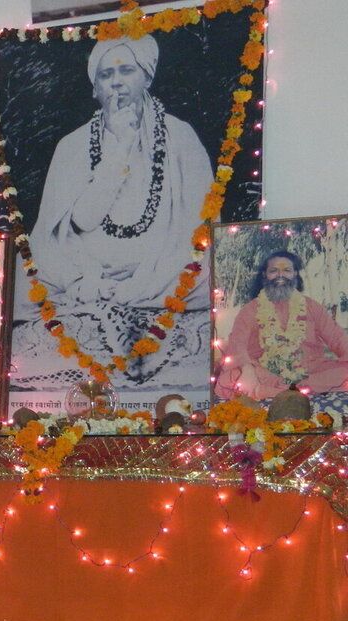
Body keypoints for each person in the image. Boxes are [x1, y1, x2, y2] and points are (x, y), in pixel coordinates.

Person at [28, 34, 212, 380]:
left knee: (209, 270)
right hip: (88, 271)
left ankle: (135, 291)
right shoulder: (72, 145)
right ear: (95, 88)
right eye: (105, 74)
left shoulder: (181, 137)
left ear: (147, 77)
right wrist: (119, 150)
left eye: (126, 70)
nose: (116, 82)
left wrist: (151, 269)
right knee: (26, 270)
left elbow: (200, 227)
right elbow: (80, 221)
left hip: (163, 268)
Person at [215, 250, 348, 400]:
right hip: (266, 373)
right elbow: (237, 344)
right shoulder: (250, 310)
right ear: (265, 275)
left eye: (286, 270)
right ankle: (294, 392)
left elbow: (337, 338)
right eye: (274, 271)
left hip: (309, 372)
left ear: (295, 274)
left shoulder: (312, 307)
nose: (280, 275)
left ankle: (274, 392)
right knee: (231, 378)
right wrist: (247, 369)